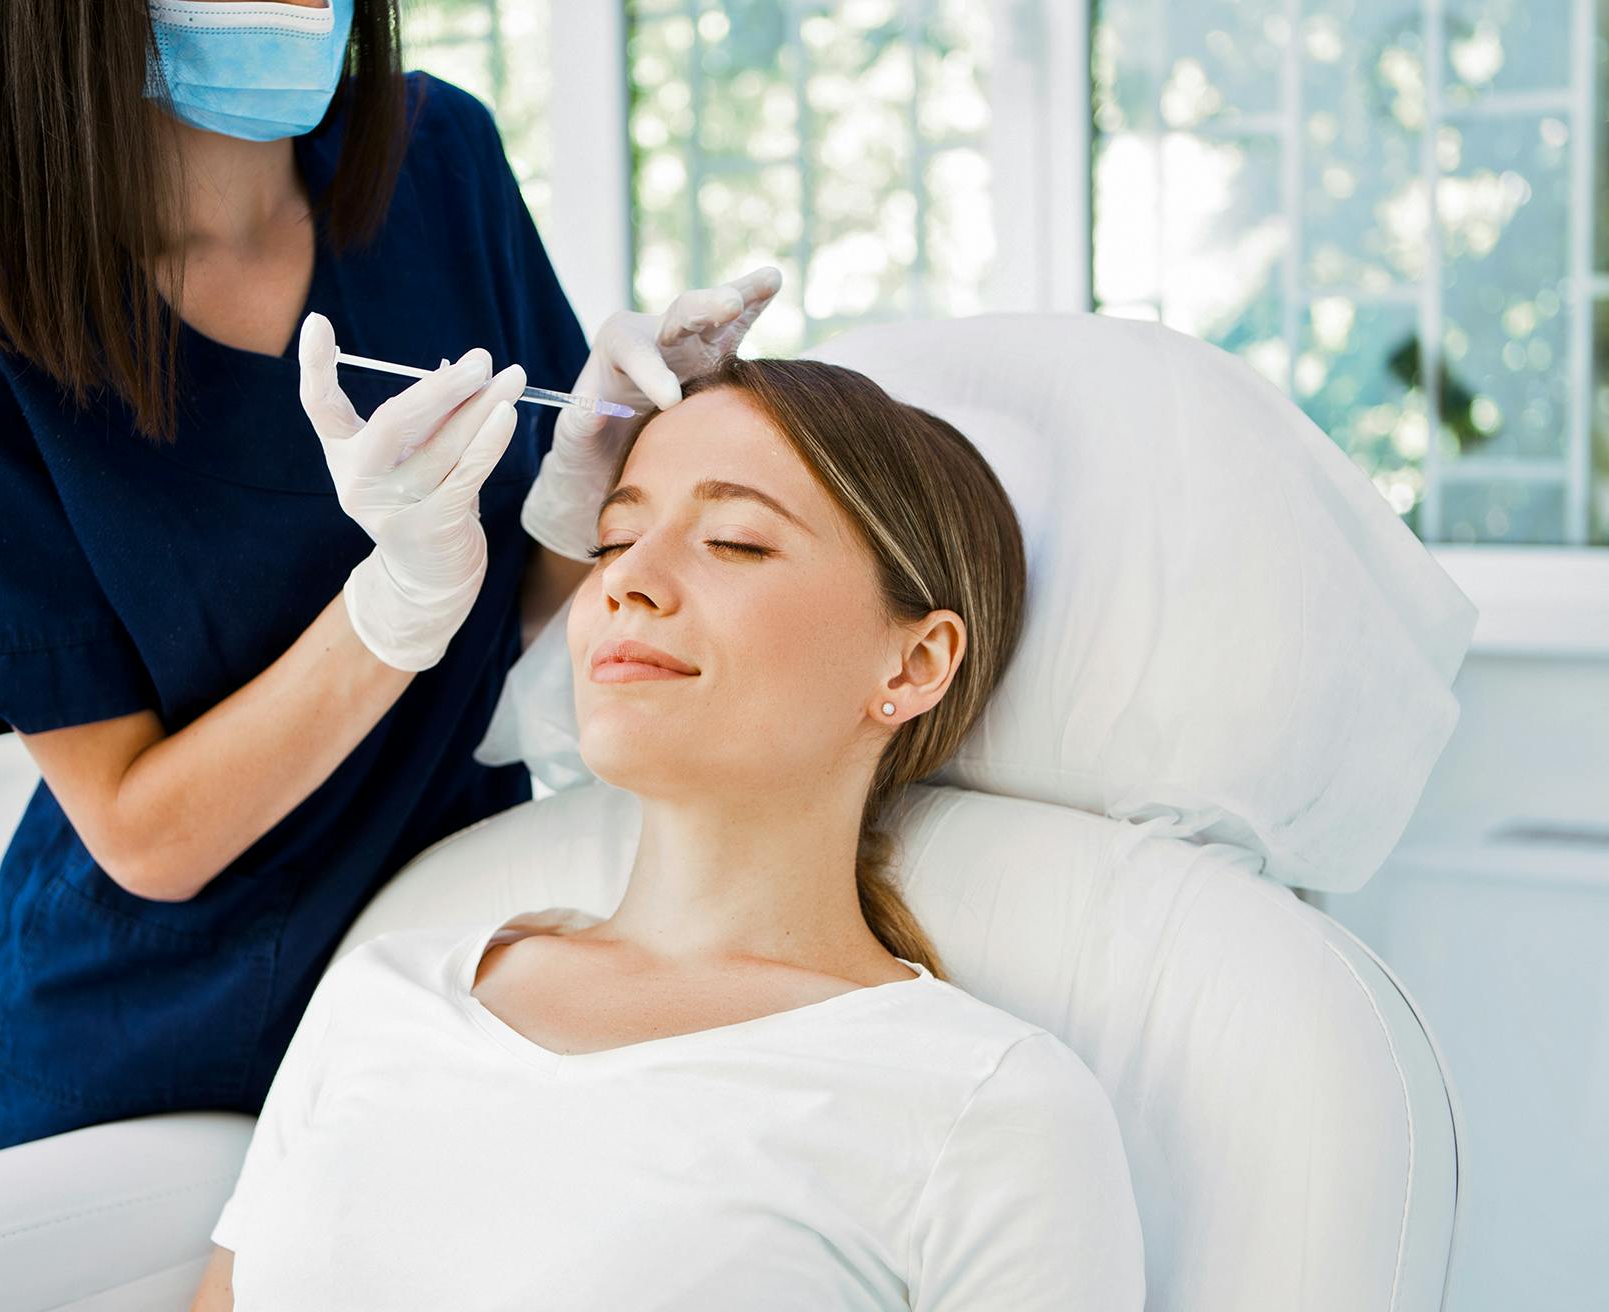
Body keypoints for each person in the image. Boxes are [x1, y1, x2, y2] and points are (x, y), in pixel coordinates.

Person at [0, 0, 780, 1159]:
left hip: (433, 986)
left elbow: (521, 619)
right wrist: (391, 604)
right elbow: (147, 837)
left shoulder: (436, 154)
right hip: (146, 1050)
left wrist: (584, 470)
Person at [189, 355, 1146, 1309]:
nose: (626, 583)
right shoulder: (384, 990)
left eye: (734, 541)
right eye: (612, 540)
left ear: (917, 661)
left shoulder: (984, 1108)